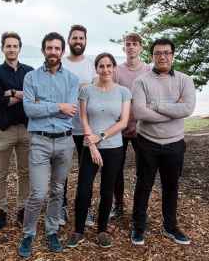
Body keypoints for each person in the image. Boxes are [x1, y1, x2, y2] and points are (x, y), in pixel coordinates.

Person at [17, 32, 79, 258]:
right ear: (44, 50)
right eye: (49, 48)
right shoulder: (31, 78)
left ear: (62, 51)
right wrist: (58, 107)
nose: (53, 52)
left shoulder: (71, 79)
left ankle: (52, 231)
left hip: (65, 141)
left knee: (56, 190)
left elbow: (70, 111)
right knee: (38, 192)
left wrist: (45, 105)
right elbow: (29, 110)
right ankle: (28, 233)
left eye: (57, 48)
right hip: (40, 141)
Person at [130, 38, 196, 246]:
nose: (162, 56)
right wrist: (172, 111)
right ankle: (138, 227)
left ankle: (170, 226)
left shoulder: (185, 80)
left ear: (173, 55)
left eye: (167, 52)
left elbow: (187, 109)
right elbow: (139, 111)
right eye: (158, 53)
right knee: (144, 185)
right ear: (152, 56)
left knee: (171, 186)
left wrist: (156, 105)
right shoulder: (141, 81)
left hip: (175, 143)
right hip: (147, 142)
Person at [66, 53, 131, 248]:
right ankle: (78, 230)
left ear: (114, 68)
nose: (105, 69)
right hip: (89, 146)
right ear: (96, 68)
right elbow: (83, 119)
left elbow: (123, 122)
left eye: (109, 66)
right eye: (101, 66)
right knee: (84, 189)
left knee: (107, 190)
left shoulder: (123, 92)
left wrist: (100, 137)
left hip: (114, 148)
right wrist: (92, 144)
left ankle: (102, 229)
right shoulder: (87, 91)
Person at [0, 32, 34, 231]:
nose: (11, 49)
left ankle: (22, 210)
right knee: (1, 172)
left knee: (25, 172)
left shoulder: (30, 72)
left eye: (15, 46)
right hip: (5, 129)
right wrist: (20, 94)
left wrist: (12, 93)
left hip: (26, 129)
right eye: (8, 46)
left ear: (19, 48)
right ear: (3, 48)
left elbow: (35, 97)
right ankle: (1, 211)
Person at [111, 33, 151, 219]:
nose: (131, 47)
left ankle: (139, 208)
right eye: (128, 44)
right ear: (124, 48)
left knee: (143, 170)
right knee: (116, 169)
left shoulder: (149, 70)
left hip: (142, 129)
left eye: (135, 44)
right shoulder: (117, 71)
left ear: (141, 47)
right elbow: (111, 96)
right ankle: (118, 205)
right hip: (119, 129)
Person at [60, 24, 97, 226]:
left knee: (87, 173)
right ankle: (61, 207)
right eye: (74, 38)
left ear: (85, 41)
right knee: (62, 171)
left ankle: (85, 208)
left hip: (86, 128)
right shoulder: (62, 64)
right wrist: (81, 87)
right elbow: (56, 92)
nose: (78, 41)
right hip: (63, 127)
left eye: (81, 38)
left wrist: (76, 89)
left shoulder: (92, 65)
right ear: (69, 40)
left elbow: (96, 92)